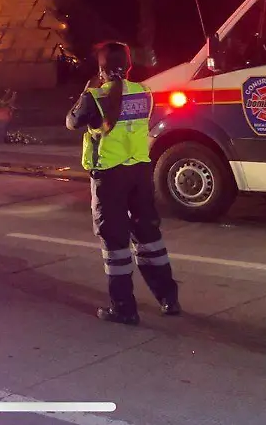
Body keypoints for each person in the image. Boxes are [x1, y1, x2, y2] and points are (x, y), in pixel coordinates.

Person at [65, 41, 180, 324]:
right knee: (150, 237)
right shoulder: (145, 92)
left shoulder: (94, 96)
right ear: (129, 66)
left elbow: (71, 121)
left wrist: (86, 91)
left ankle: (124, 308)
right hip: (140, 172)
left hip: (110, 176)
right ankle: (169, 298)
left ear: (101, 69)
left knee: (115, 244)